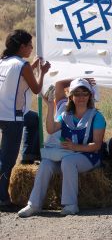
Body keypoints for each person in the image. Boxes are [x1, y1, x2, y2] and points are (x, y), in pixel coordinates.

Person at [18, 78, 106, 217]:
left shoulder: (97, 117)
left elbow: (97, 145)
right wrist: (51, 107)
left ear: (90, 96)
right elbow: (51, 129)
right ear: (71, 96)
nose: (81, 97)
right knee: (46, 163)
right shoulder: (66, 115)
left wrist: (74, 146)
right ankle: (34, 204)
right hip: (68, 155)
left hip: (89, 157)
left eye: (85, 93)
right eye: (77, 94)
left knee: (68, 161)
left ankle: (70, 205)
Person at [0, 29, 50, 211]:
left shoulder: (4, 61)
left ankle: (29, 155)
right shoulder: (23, 65)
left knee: (33, 119)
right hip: (12, 116)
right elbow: (36, 89)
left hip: (3, 110)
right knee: (7, 159)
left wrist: (33, 66)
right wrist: (42, 72)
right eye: (30, 45)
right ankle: (2, 199)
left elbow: (20, 77)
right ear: (22, 47)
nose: (31, 48)